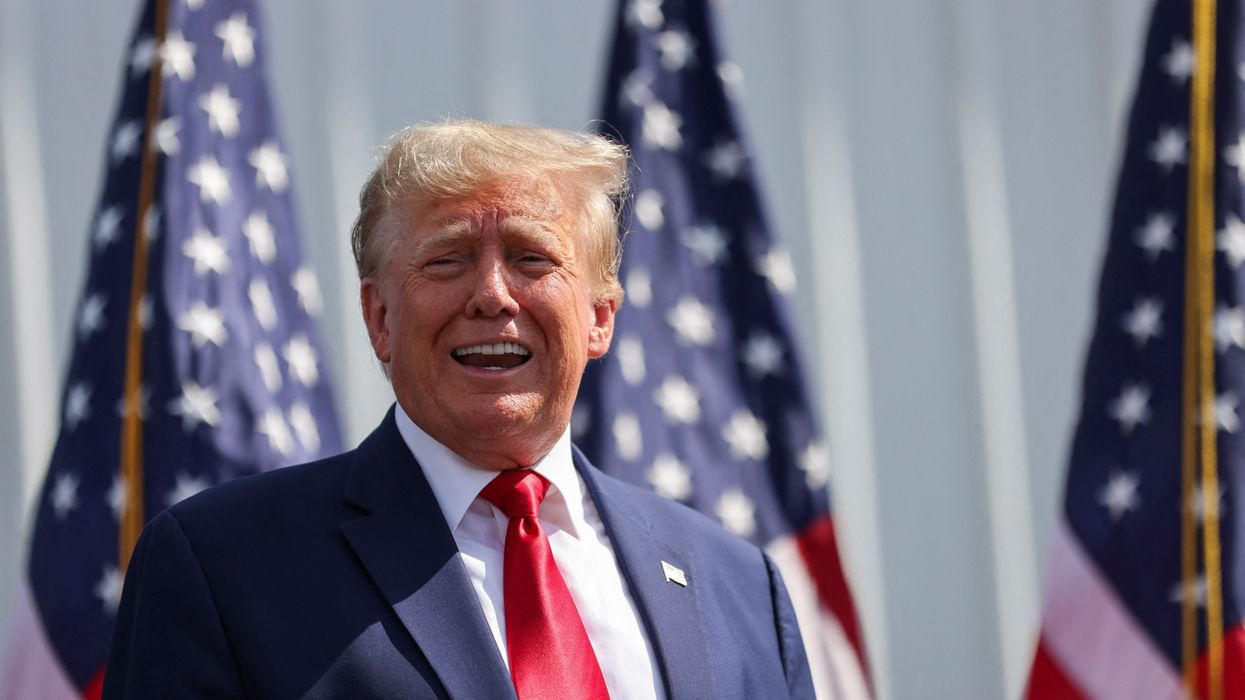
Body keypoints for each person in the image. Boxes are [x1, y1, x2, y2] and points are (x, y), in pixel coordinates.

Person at [102, 120, 814, 699]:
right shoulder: (223, 565)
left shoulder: (736, 582)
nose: (492, 295)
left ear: (600, 318)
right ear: (379, 317)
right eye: (446, 260)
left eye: (534, 259)